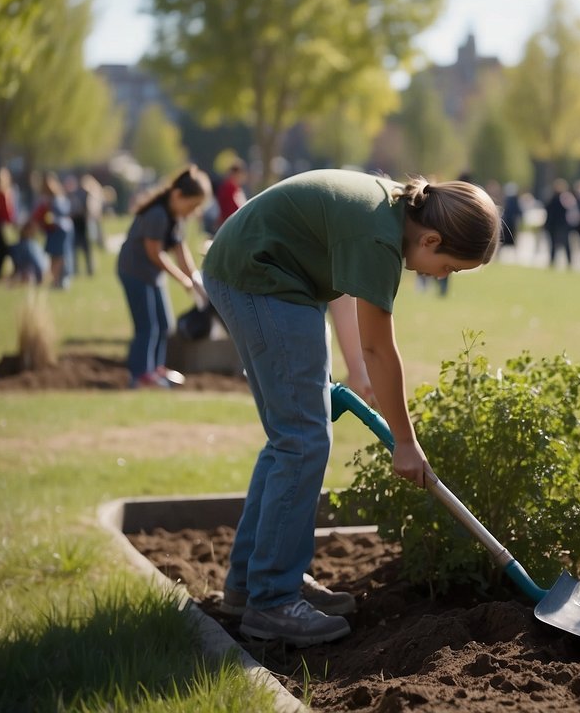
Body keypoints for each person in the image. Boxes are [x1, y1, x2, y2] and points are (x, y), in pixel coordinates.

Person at [201, 168, 499, 647]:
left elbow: (344, 296)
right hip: (260, 277)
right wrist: (406, 443)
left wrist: (356, 373)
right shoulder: (380, 238)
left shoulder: (388, 213)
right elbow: (380, 347)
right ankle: (272, 601)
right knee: (301, 440)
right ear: (432, 238)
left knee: (292, 439)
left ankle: (251, 585)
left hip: (270, 275)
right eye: (450, 268)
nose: (443, 277)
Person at [117, 166, 212, 389]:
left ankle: (156, 369)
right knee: (147, 326)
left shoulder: (176, 217)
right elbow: (155, 253)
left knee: (164, 324)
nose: (192, 212)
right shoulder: (157, 214)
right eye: (191, 206)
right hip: (135, 272)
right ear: (177, 195)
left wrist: (196, 280)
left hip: (152, 274)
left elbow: (181, 252)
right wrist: (182, 280)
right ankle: (140, 374)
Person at [31, 173, 74, 289]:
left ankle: (59, 280)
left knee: (59, 256)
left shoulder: (58, 198)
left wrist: (52, 217)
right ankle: (55, 280)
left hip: (60, 230)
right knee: (54, 256)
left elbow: (63, 213)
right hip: (52, 231)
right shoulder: (45, 199)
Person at [543, 178, 579, 268]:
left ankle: (569, 262)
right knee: (554, 245)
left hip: (561, 226)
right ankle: (553, 261)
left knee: (565, 244)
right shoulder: (553, 198)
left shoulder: (565, 198)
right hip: (554, 226)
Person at [215, 159, 248, 232]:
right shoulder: (230, 188)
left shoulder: (232, 188)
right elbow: (235, 209)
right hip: (231, 226)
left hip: (229, 224)